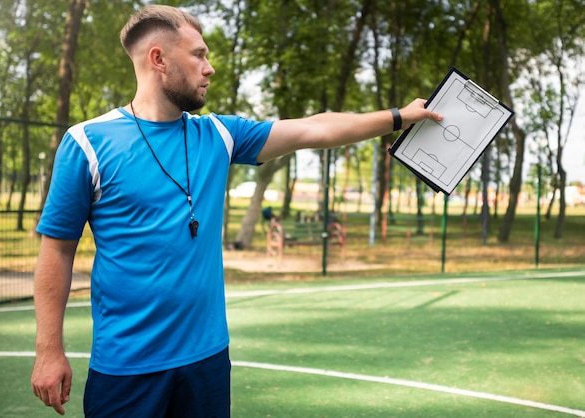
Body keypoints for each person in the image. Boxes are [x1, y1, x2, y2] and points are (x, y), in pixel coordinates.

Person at [30, 4, 442, 417]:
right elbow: (57, 250)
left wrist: (399, 116)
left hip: (207, 362)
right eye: (198, 54)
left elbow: (314, 128)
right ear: (158, 59)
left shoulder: (219, 134)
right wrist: (49, 350)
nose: (209, 68)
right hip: (126, 369)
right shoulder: (86, 142)